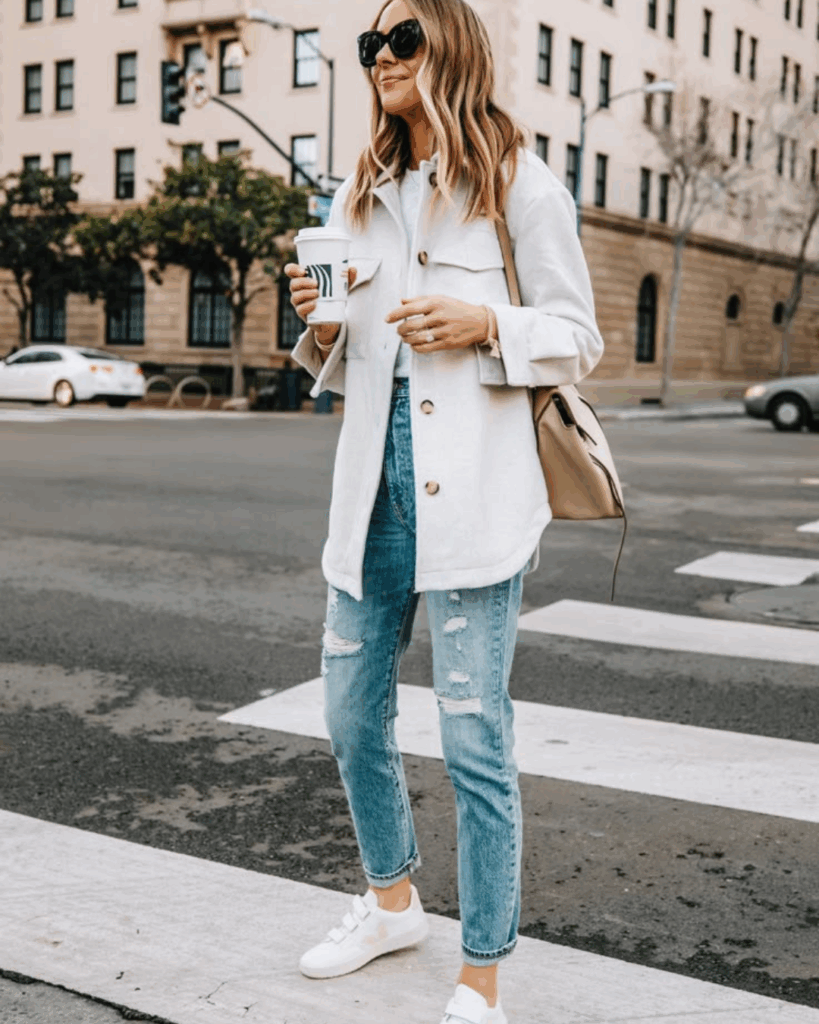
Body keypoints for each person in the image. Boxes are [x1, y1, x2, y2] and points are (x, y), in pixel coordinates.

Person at [284, 1, 604, 1021]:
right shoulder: (361, 190)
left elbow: (578, 338)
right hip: (367, 495)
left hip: (472, 502)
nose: (382, 56)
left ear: (452, 47)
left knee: (474, 739)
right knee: (347, 715)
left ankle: (482, 971)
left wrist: (486, 322)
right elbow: (349, 355)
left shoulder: (521, 182)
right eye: (370, 43)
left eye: (403, 38)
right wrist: (320, 321)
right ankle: (390, 903)